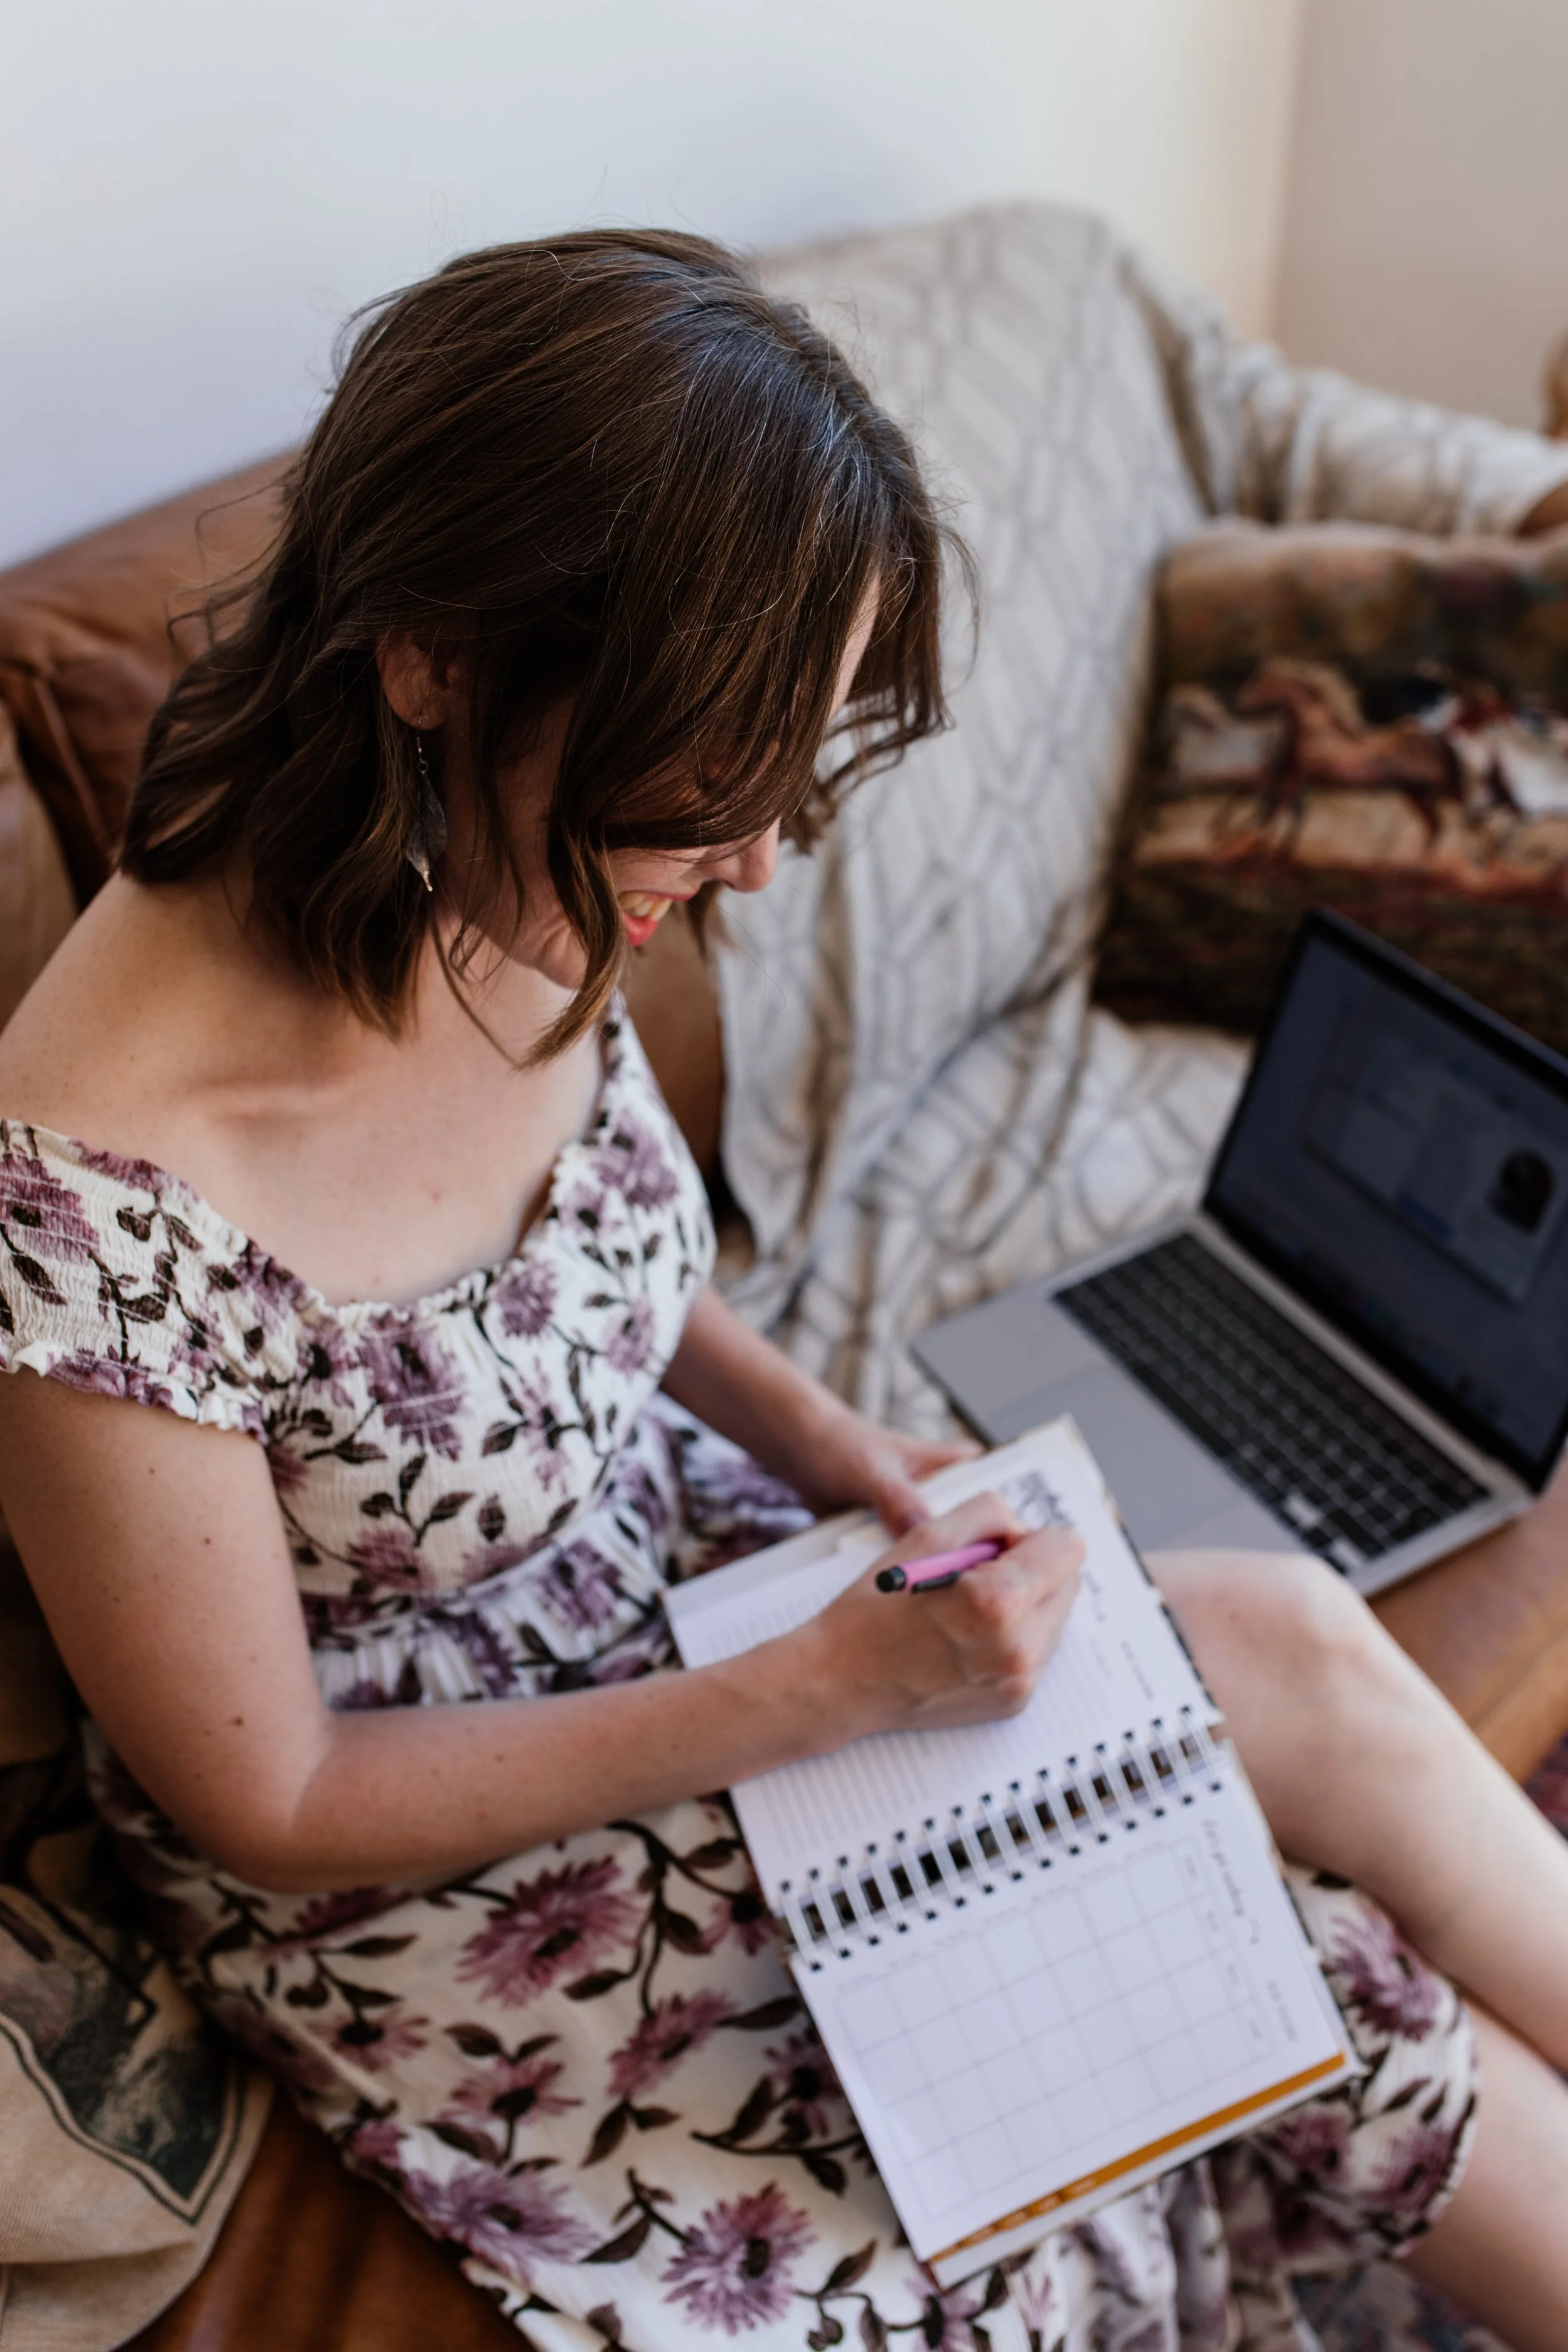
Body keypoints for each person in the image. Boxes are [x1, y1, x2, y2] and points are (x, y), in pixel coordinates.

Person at [0, 230, 1565, 2352]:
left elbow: (562, 1266)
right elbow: (265, 1796)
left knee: (1274, 1660)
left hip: (699, 1584)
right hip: (440, 1839)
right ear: (433, 655)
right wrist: (817, 1693)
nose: (752, 867)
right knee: (1202, 1980)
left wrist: (839, 1444)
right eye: (708, 788)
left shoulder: (474, 860)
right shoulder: (90, 1193)